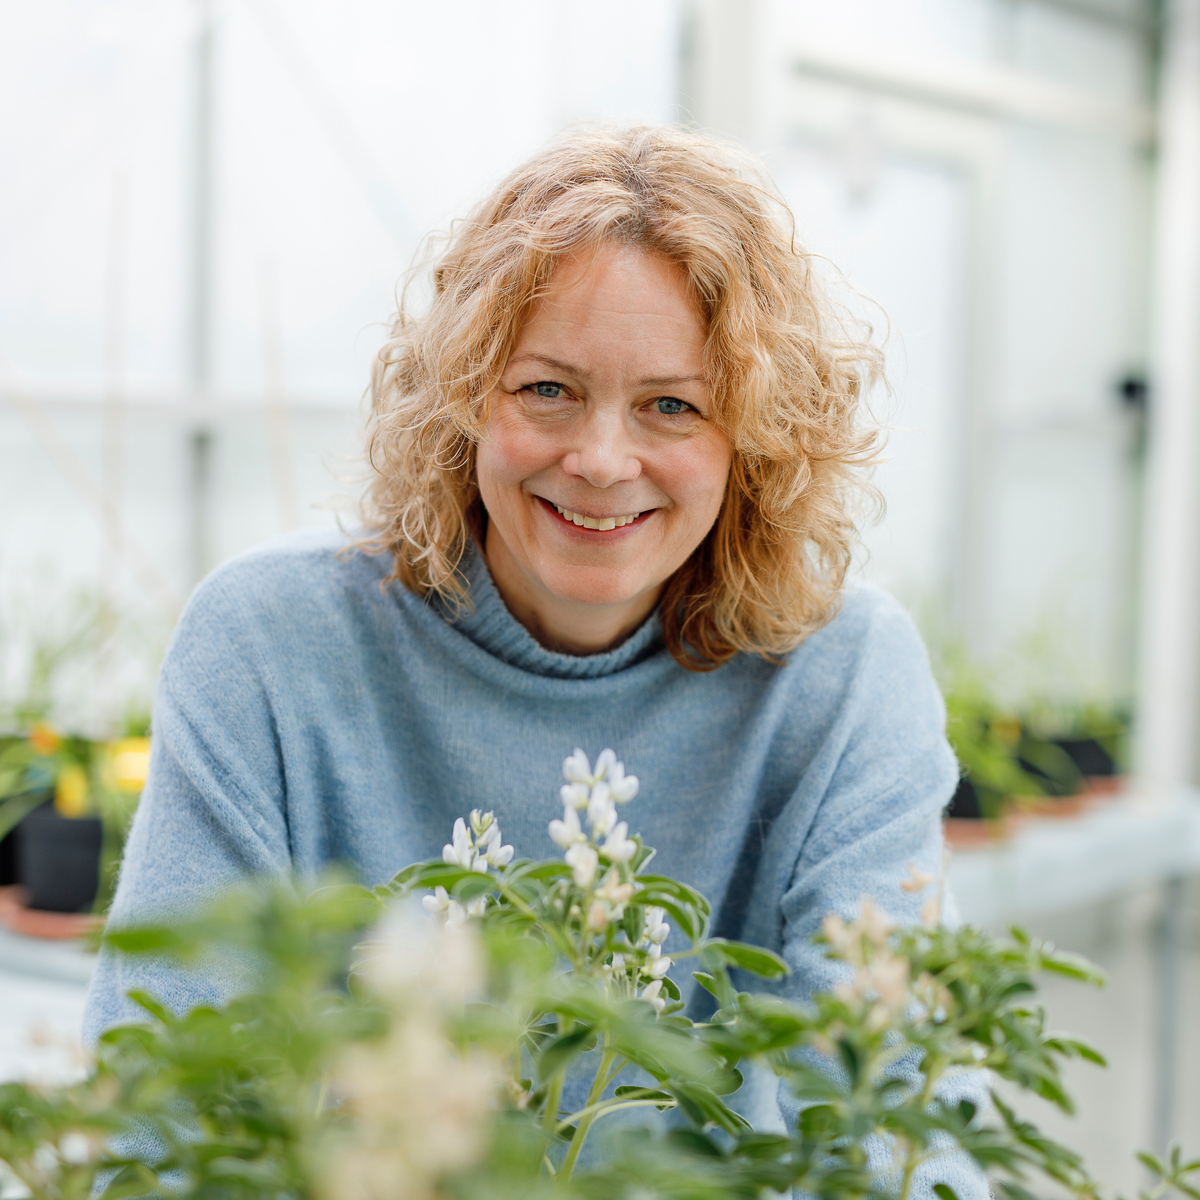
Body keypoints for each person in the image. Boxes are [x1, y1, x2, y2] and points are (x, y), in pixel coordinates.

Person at [84, 124, 972, 1189]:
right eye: (546, 389)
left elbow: (903, 1112)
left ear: (756, 436)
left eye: (673, 405)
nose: (600, 459)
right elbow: (163, 1110)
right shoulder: (270, 645)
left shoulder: (841, 677)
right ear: (464, 394)